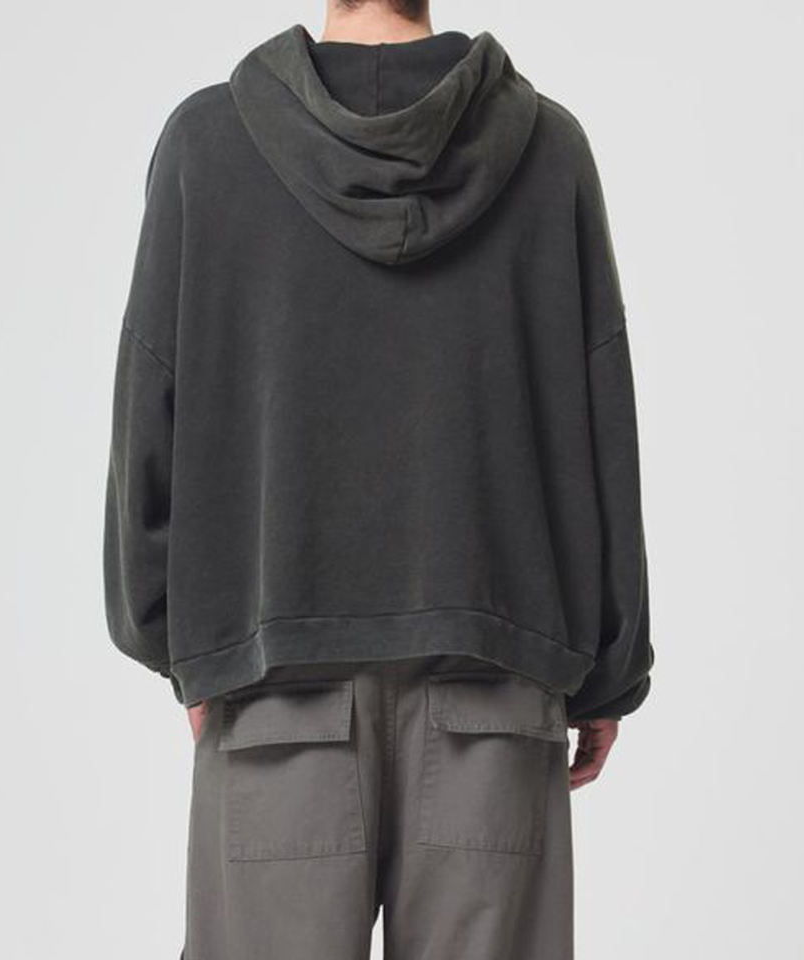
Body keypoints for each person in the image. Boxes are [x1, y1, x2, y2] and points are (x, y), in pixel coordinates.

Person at [102, 1, 654, 956]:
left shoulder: (207, 148)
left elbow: (149, 415)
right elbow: (600, 423)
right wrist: (611, 668)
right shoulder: (548, 150)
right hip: (495, 698)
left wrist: (181, 644)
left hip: (275, 698)